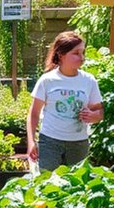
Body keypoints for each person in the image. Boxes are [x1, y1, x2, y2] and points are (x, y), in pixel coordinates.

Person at [26, 31, 103, 172]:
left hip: (79, 143)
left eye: (83, 52)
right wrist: (31, 142)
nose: (82, 57)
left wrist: (94, 116)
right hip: (50, 142)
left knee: (77, 186)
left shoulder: (89, 80)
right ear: (61, 55)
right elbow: (34, 114)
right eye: (76, 53)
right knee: (47, 184)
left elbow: (99, 111)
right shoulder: (47, 80)